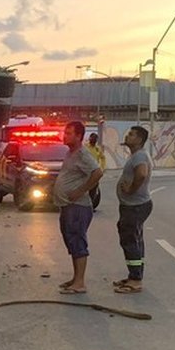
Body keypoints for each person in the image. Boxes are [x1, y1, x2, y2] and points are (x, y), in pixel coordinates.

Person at [54, 121, 103, 295]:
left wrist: (80, 191)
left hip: (78, 206)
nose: (64, 135)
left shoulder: (83, 154)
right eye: (64, 132)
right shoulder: (70, 153)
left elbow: (97, 173)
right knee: (71, 242)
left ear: (79, 136)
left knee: (78, 241)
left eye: (68, 133)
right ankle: (75, 279)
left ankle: (80, 283)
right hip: (68, 206)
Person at [114, 126, 153, 294]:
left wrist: (130, 189)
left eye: (131, 134)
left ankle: (135, 280)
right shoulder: (137, 156)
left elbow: (142, 174)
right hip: (134, 205)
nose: (127, 136)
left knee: (130, 241)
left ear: (139, 139)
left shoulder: (140, 156)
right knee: (135, 240)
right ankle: (134, 275)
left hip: (135, 206)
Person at [86, 133, 106, 209]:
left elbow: (103, 158)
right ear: (90, 138)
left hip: (94, 172)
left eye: (95, 139)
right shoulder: (85, 147)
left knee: (93, 189)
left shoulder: (97, 149)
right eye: (92, 138)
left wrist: (102, 168)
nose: (93, 140)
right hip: (86, 172)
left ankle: (91, 205)